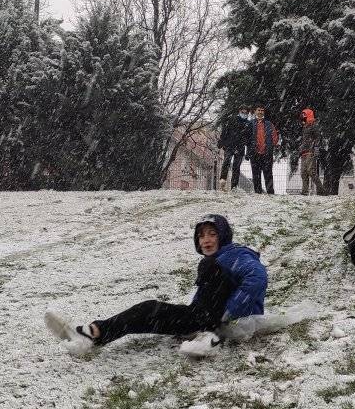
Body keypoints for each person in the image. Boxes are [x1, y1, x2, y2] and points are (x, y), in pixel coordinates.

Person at [44, 214, 267, 357]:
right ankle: (92, 334)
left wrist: (229, 314)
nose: (205, 240)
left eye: (212, 233)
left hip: (218, 320)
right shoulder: (217, 260)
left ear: (223, 235)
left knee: (208, 267)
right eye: (201, 236)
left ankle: (208, 333)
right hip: (200, 317)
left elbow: (257, 278)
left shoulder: (236, 254)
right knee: (148, 309)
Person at [249, 106, 279, 194]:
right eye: (258, 110)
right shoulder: (250, 124)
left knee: (268, 174)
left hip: (267, 153)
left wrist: (271, 145)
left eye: (262, 110)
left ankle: (270, 193)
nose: (260, 112)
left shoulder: (269, 124)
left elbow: (275, 137)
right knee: (256, 174)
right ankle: (258, 192)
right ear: (255, 111)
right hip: (254, 153)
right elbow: (246, 138)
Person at [218, 107, 250, 191]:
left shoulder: (248, 124)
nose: (244, 114)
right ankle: (223, 180)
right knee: (226, 162)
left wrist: (248, 151)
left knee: (236, 167)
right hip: (230, 146)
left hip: (240, 148)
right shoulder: (232, 120)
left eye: (246, 113)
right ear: (239, 112)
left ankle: (234, 186)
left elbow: (249, 138)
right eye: (242, 112)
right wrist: (221, 142)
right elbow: (225, 131)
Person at [299, 108, 324, 195]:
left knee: (311, 171)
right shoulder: (305, 127)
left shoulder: (313, 126)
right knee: (303, 172)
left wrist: (316, 148)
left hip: (311, 151)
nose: (303, 118)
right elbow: (304, 140)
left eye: (304, 116)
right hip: (304, 152)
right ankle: (304, 191)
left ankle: (321, 190)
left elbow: (318, 138)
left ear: (308, 115)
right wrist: (301, 148)